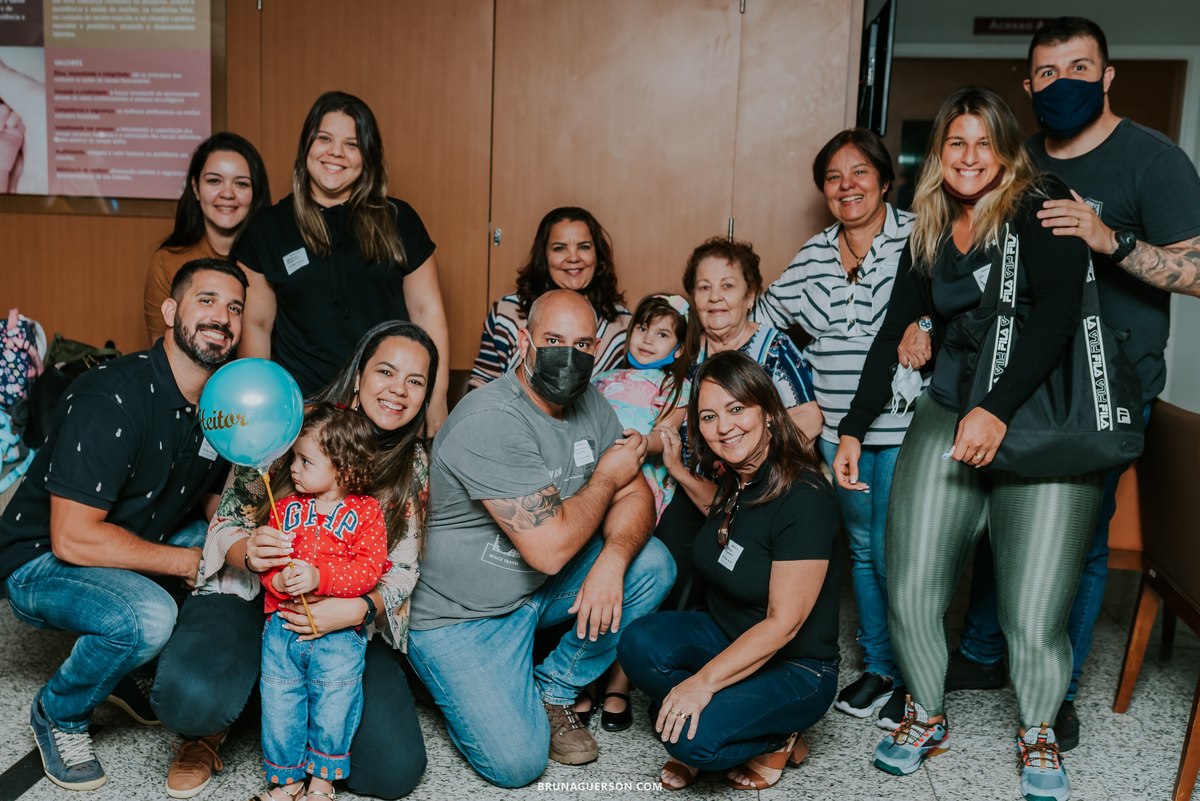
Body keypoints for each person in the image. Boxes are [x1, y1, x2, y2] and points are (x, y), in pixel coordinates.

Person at [832, 87, 1102, 801]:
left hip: (1037, 424)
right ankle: (924, 710)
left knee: (1031, 611)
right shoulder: (929, 228)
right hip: (947, 410)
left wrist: (996, 408)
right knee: (911, 583)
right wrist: (855, 426)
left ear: (1007, 149)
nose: (970, 156)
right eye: (957, 142)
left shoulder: (1041, 203)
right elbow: (895, 327)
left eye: (985, 142)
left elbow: (1056, 318)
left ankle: (1038, 726)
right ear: (939, 153)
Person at [941, 16, 1200, 753]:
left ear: (1107, 74)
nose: (1064, 85)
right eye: (1048, 74)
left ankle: (1055, 688)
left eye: (1080, 68)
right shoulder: (1015, 158)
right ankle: (986, 652)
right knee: (996, 521)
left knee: (1080, 539)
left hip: (1104, 386)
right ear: (1028, 84)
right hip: (1014, 377)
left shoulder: (1153, 160)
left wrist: (1106, 238)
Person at [151, 321, 436, 800]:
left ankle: (288, 703)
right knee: (191, 700)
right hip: (257, 598)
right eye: (386, 371)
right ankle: (228, 719)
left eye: (416, 381)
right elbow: (226, 522)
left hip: (345, 615)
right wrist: (251, 553)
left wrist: (360, 609)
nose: (398, 390)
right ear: (360, 371)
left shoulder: (414, 463)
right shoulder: (292, 422)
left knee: (391, 773)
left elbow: (403, 568)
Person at [406, 289, 675, 788]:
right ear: (526, 342)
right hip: (461, 618)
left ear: (597, 350)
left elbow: (635, 491)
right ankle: (439, 680)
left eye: (582, 344)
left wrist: (613, 561)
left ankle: (553, 687)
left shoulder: (589, 402)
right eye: (553, 340)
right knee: (517, 765)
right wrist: (606, 478)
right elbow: (551, 549)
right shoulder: (491, 419)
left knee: (651, 563)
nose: (568, 356)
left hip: (536, 590)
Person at [0, 258, 247, 791]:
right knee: (148, 617)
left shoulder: (216, 405)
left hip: (139, 533)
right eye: (206, 300)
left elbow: (204, 490)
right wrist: (190, 562)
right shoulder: (111, 398)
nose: (222, 317)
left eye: (234, 308)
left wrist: (227, 532)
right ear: (170, 310)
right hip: (41, 559)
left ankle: (132, 676)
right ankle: (59, 713)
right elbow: (72, 537)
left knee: (230, 554)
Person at [619, 350, 841, 791]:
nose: (724, 427)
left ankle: (778, 737)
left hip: (797, 667)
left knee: (689, 741)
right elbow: (730, 523)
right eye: (708, 416)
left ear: (769, 412)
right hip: (728, 633)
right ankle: (733, 709)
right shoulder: (739, 477)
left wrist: (702, 684)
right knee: (637, 643)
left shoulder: (805, 497)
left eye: (737, 409)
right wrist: (678, 470)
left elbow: (784, 624)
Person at [756, 127, 917, 731]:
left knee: (902, 554)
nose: (846, 186)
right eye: (833, 177)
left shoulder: (914, 239)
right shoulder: (817, 253)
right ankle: (878, 668)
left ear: (882, 178)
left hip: (902, 425)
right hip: (836, 433)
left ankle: (911, 678)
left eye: (859, 173)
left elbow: (953, 307)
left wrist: (923, 321)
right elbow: (768, 319)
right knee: (865, 554)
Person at [236, 91, 451, 433]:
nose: (335, 152)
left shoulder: (400, 220)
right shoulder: (268, 228)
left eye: (351, 144)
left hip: (385, 409)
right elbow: (256, 326)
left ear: (368, 156)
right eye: (324, 139)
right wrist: (261, 409)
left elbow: (428, 313)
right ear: (306, 145)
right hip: (302, 413)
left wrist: (437, 397)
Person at [653, 237, 821, 610]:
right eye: (704, 287)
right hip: (692, 481)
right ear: (693, 299)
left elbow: (809, 418)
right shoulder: (685, 353)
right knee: (667, 556)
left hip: (755, 491)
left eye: (728, 286)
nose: (715, 298)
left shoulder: (772, 349)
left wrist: (739, 449)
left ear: (750, 296)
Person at [255, 402, 390, 801]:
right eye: (294, 458)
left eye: (304, 460)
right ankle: (287, 780)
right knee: (280, 702)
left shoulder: (366, 513)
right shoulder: (283, 509)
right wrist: (277, 579)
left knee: (335, 701)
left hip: (337, 637)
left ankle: (323, 781)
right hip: (282, 630)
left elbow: (370, 570)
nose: (293, 469)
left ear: (342, 468)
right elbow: (268, 566)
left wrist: (321, 577)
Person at [580, 292, 695, 733]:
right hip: (596, 487)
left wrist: (635, 446)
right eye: (643, 328)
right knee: (593, 576)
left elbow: (665, 437)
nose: (647, 339)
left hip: (642, 493)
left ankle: (619, 683)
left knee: (634, 585)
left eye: (663, 333)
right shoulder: (602, 378)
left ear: (680, 348)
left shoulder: (678, 388)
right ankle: (586, 675)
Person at [469, 206, 632, 388]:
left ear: (597, 254)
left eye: (584, 247)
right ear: (544, 256)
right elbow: (481, 384)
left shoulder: (623, 326)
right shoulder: (507, 313)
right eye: (559, 248)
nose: (573, 258)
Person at [145, 132, 271, 343]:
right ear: (195, 188)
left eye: (241, 184)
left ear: (255, 193)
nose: (227, 194)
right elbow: (162, 352)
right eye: (214, 181)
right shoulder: (168, 261)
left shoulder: (273, 259)